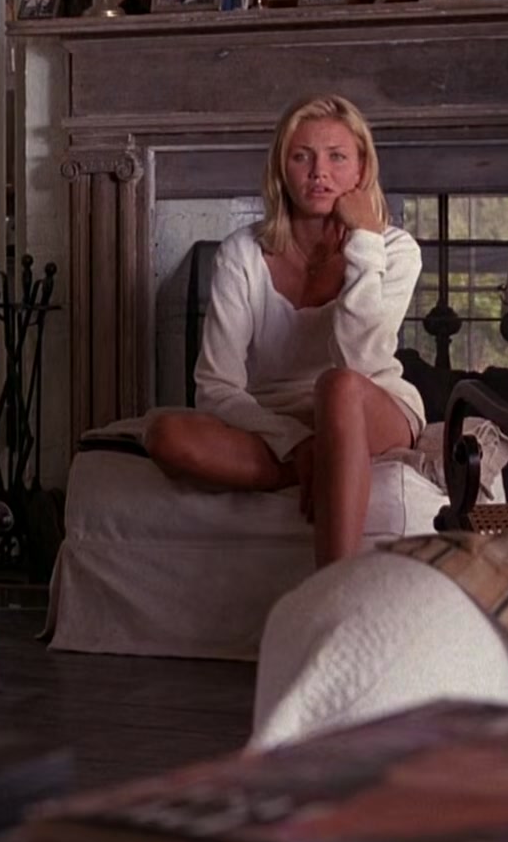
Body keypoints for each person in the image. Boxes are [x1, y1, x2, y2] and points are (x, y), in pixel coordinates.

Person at [143, 95, 425, 568]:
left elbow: (359, 363)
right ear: (281, 168)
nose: (319, 173)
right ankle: (324, 465)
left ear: (361, 169)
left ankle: (330, 585)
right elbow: (215, 387)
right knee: (165, 435)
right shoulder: (241, 253)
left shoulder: (395, 251)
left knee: (337, 386)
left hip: (369, 402)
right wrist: (297, 443)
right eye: (302, 157)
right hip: (272, 419)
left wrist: (364, 243)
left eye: (337, 157)